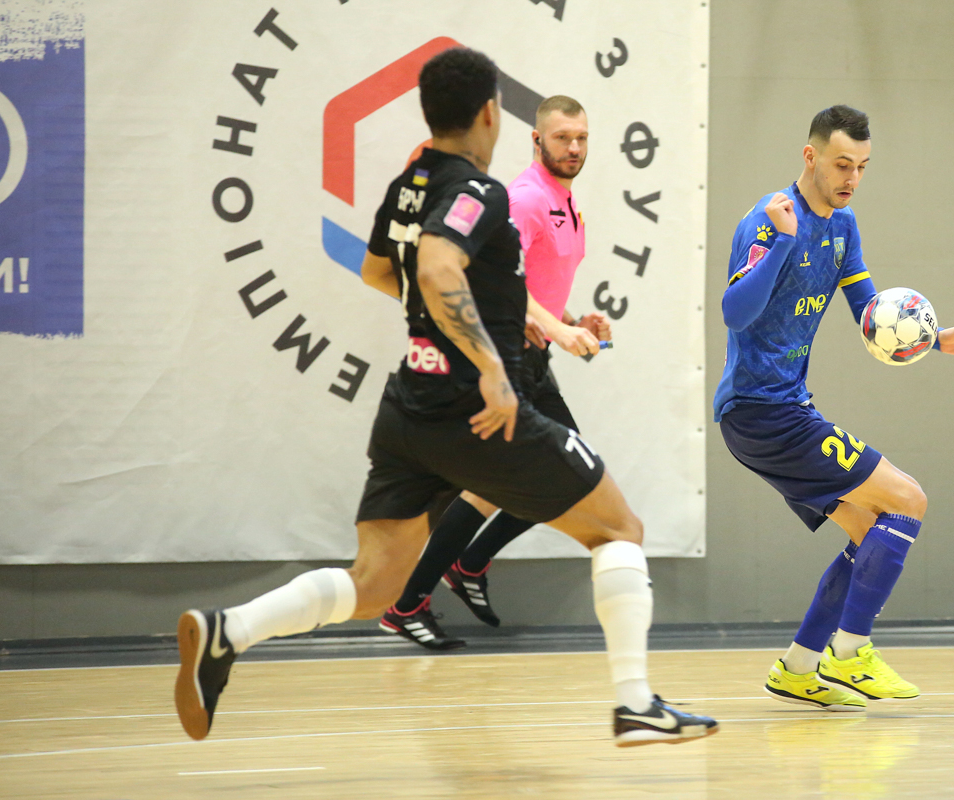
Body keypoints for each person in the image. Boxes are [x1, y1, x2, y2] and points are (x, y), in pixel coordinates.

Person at [174, 47, 717, 747]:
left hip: (410, 409)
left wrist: (487, 317)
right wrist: (490, 364)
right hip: (476, 411)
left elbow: (380, 271)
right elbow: (435, 267)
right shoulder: (481, 191)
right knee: (619, 529)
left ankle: (230, 630)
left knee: (374, 586)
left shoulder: (411, 183)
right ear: (492, 113)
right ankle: (636, 703)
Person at [714, 105, 954, 711]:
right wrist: (783, 243)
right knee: (908, 499)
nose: (852, 178)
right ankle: (850, 652)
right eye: (842, 164)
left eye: (863, 167)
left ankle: (798, 667)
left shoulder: (843, 226)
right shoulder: (770, 220)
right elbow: (734, 314)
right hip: (761, 412)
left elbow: (870, 316)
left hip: (778, 411)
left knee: (870, 529)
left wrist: (936, 338)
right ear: (811, 156)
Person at [378, 94, 613, 649]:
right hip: (505, 359)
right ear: (537, 140)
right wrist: (557, 332)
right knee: (537, 479)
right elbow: (497, 279)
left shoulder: (565, 201)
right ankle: (415, 598)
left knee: (531, 479)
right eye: (562, 138)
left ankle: (457, 572)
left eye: (581, 138)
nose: (573, 148)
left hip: (532, 358)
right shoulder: (525, 199)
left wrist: (573, 321)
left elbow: (534, 287)